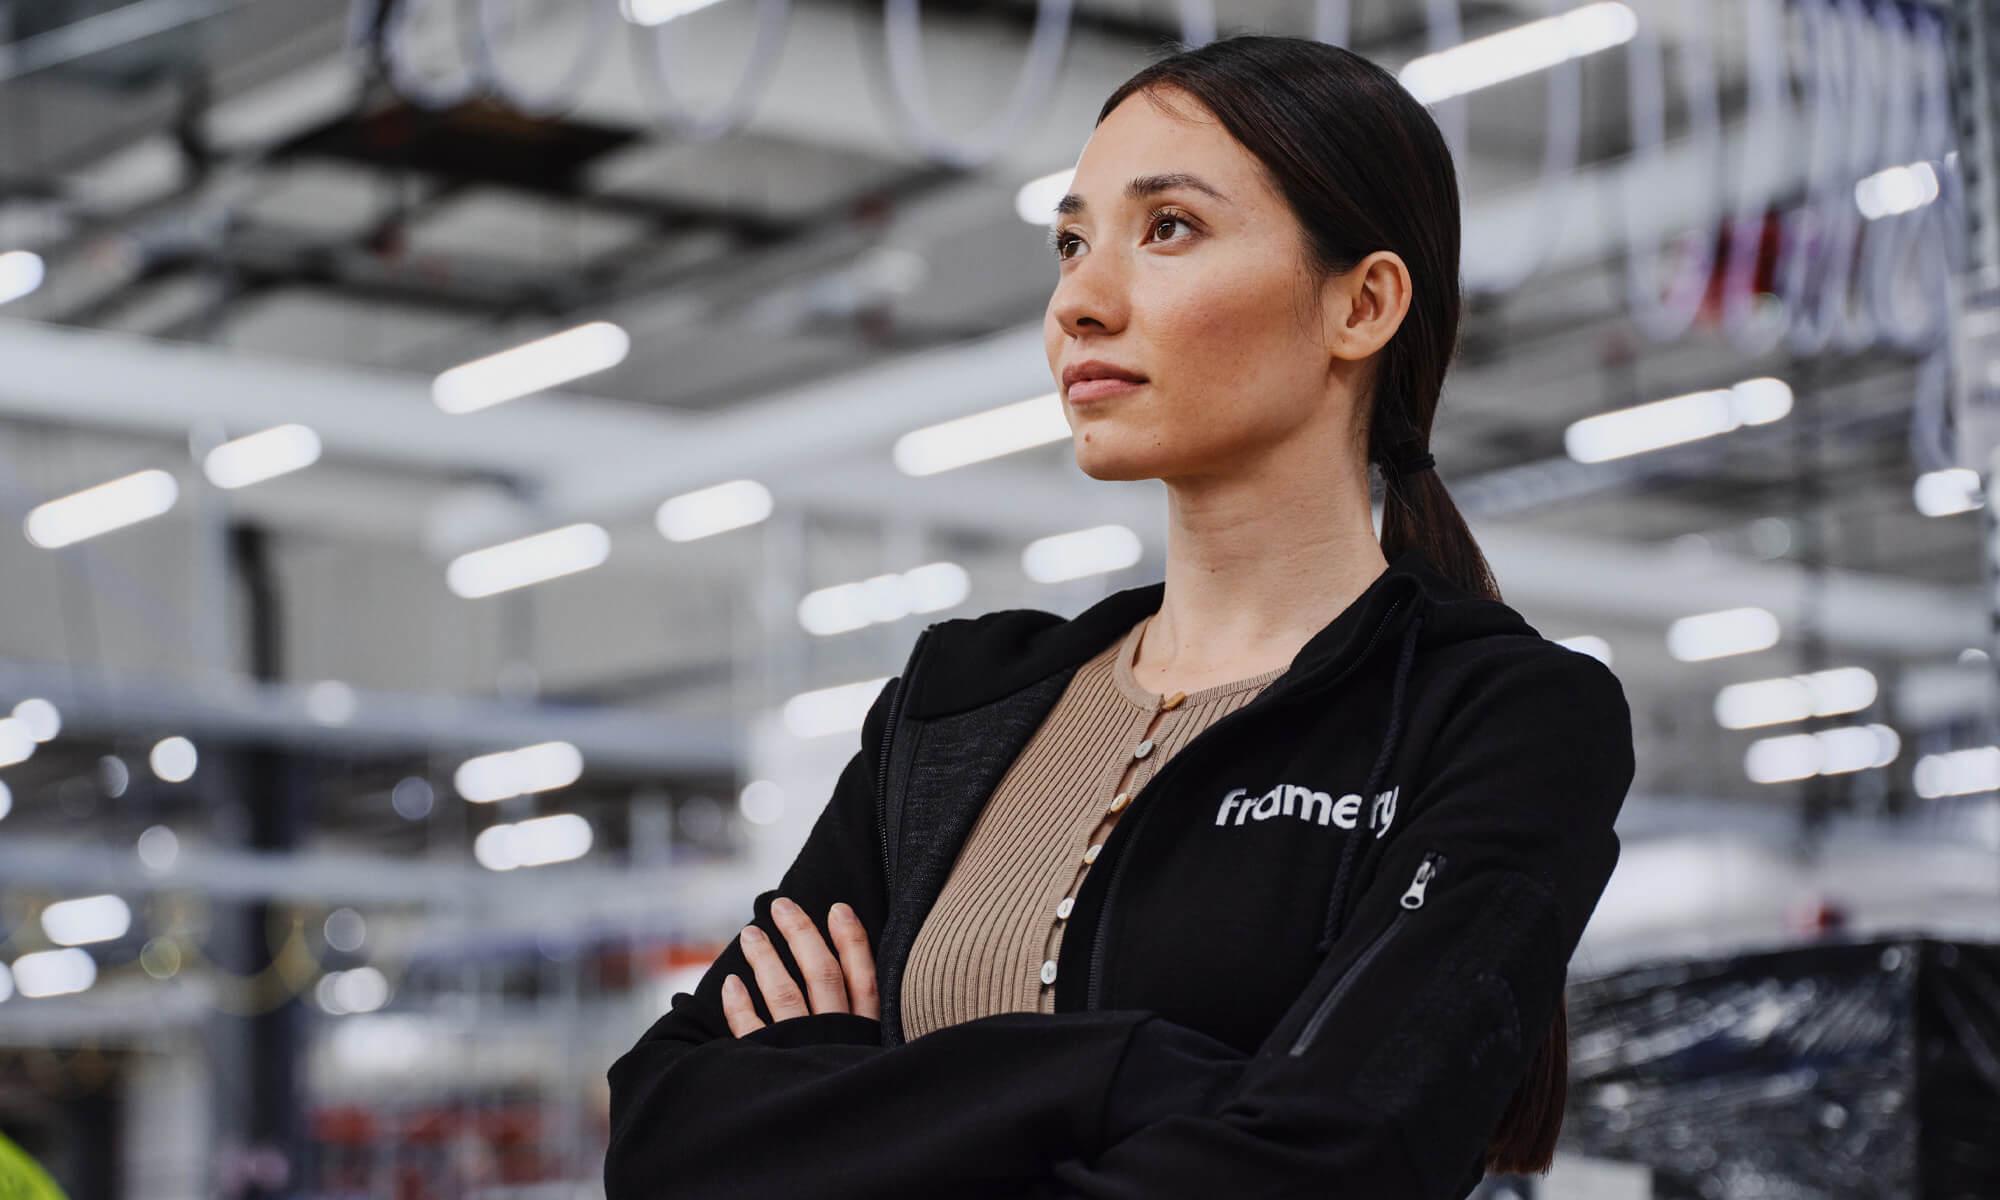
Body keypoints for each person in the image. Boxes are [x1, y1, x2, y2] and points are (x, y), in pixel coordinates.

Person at [605, 33, 1635, 1200]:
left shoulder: (1501, 718)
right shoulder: (953, 708)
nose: (1077, 304)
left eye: (1168, 230)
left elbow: (1333, 1164)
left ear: (1361, 303)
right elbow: (665, 1136)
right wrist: (1122, 1078)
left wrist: (851, 1102)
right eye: (1070, 242)